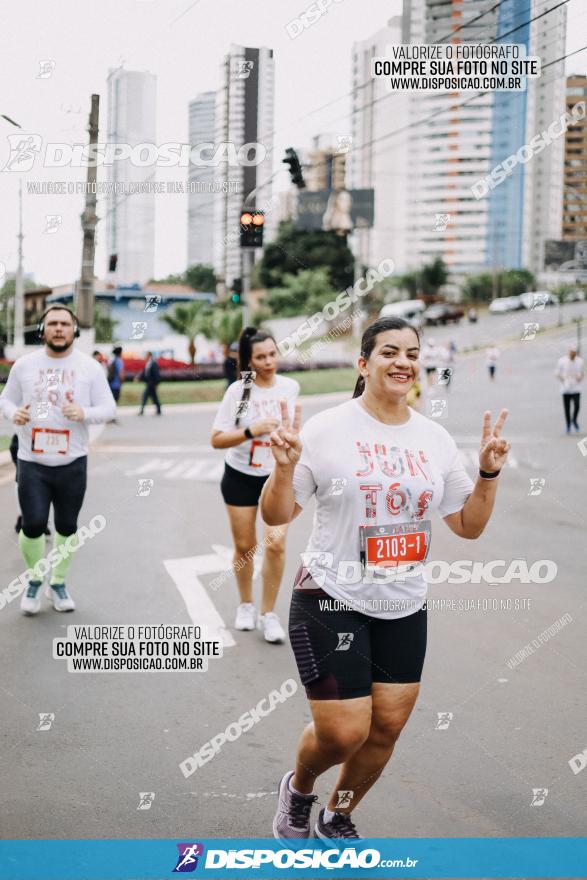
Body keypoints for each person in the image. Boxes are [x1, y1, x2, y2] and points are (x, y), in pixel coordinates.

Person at [260, 316, 510, 840]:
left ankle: (337, 814)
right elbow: (277, 516)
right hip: (330, 594)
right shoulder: (326, 430)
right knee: (343, 732)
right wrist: (283, 469)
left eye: (412, 353)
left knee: (386, 729)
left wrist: (488, 474)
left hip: (403, 603)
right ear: (364, 363)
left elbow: (467, 526)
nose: (403, 362)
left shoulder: (434, 439)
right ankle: (299, 790)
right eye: (389, 352)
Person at [0, 305, 116, 615]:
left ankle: (59, 582)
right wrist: (16, 413)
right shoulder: (24, 366)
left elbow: (109, 407)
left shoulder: (90, 368)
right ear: (43, 330)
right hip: (32, 460)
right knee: (34, 523)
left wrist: (85, 413)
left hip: (72, 462)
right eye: (53, 323)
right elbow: (7, 399)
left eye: (65, 323)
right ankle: (36, 579)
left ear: (74, 331)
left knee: (67, 525)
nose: (59, 328)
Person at [211, 327, 299, 643]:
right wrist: (253, 430)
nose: (268, 361)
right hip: (240, 477)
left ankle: (268, 613)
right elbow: (216, 439)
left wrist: (289, 438)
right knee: (245, 546)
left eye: (273, 354)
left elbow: (293, 428)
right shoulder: (238, 391)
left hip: (277, 476)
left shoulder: (290, 387)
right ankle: (246, 605)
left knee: (275, 544)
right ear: (248, 360)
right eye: (260, 357)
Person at [555, 348, 584, 433]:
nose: (573, 356)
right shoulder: (562, 361)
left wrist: (579, 378)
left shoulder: (580, 361)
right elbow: (557, 373)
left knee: (577, 405)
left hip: (576, 387)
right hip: (566, 388)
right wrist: (563, 380)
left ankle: (574, 419)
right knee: (567, 408)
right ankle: (568, 424)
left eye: (574, 354)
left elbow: (582, 373)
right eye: (572, 354)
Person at [137, 351, 162, 416]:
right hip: (148, 383)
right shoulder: (148, 363)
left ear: (150, 356)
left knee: (145, 396)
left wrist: (157, 383)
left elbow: (157, 374)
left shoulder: (153, 363)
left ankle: (142, 410)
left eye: (147, 355)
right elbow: (145, 373)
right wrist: (139, 378)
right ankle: (158, 410)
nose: (145, 356)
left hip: (152, 383)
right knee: (154, 397)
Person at [107, 346, 125, 422]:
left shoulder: (112, 360)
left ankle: (110, 416)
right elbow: (121, 373)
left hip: (111, 383)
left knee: (111, 400)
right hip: (116, 384)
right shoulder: (119, 361)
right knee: (114, 401)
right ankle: (111, 417)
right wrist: (122, 381)